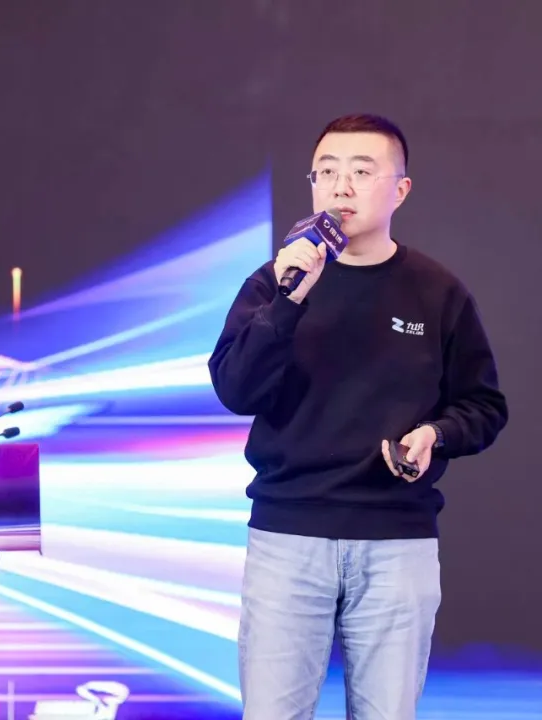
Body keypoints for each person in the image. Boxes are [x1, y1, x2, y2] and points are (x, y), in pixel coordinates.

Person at [207, 113, 508, 720]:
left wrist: (436, 433)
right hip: (288, 537)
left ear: (400, 190)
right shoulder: (276, 282)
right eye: (326, 172)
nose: (340, 186)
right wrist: (291, 298)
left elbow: (484, 405)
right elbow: (235, 388)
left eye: (362, 172)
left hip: (397, 541)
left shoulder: (437, 292)